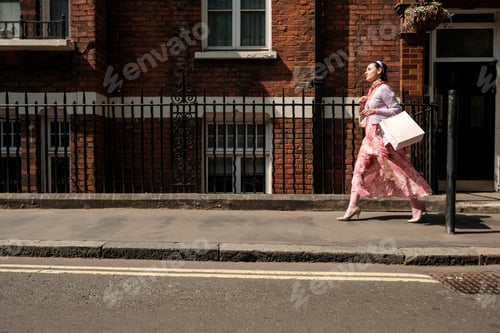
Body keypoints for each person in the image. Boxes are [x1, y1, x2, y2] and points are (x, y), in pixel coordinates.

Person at [337, 60, 432, 222]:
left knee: (397, 171)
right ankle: (353, 206)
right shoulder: (372, 91)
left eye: (369, 69)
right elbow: (368, 116)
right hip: (370, 137)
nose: (365, 72)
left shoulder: (384, 89)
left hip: (381, 139)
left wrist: (375, 109)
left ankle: (416, 207)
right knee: (359, 170)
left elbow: (397, 110)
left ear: (379, 70)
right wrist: (364, 106)